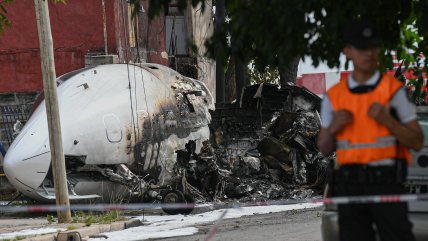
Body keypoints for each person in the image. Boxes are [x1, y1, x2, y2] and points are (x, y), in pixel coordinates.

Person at [317, 20, 423, 241]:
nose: (369, 53)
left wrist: (389, 121)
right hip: (350, 186)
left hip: (386, 183)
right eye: (362, 47)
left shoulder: (394, 93)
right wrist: (335, 127)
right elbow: (324, 148)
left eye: (373, 47)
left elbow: (416, 141)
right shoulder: (334, 97)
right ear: (348, 51)